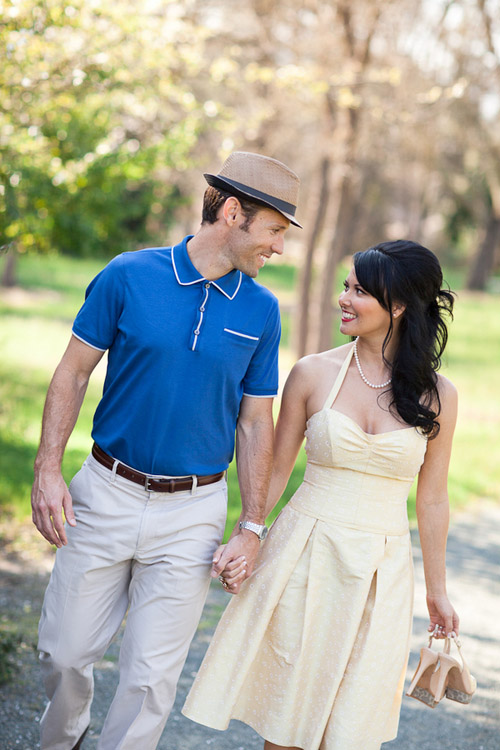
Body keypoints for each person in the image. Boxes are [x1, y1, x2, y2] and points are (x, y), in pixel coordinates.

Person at [31, 151, 302, 750]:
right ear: (233, 213)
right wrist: (47, 468)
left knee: (151, 681)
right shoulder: (129, 275)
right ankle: (66, 736)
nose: (278, 248)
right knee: (63, 652)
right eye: (275, 231)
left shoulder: (261, 310)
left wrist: (252, 524)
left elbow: (257, 423)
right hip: (104, 492)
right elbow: (73, 372)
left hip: (193, 512)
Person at [182, 240, 461, 750]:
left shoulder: (439, 395)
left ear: (398, 305)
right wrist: (249, 534)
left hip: (381, 568)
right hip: (304, 557)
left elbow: (434, 499)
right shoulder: (313, 373)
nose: (344, 298)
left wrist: (436, 591)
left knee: (350, 727)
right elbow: (276, 467)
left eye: (359, 291)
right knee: (287, 718)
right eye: (345, 286)